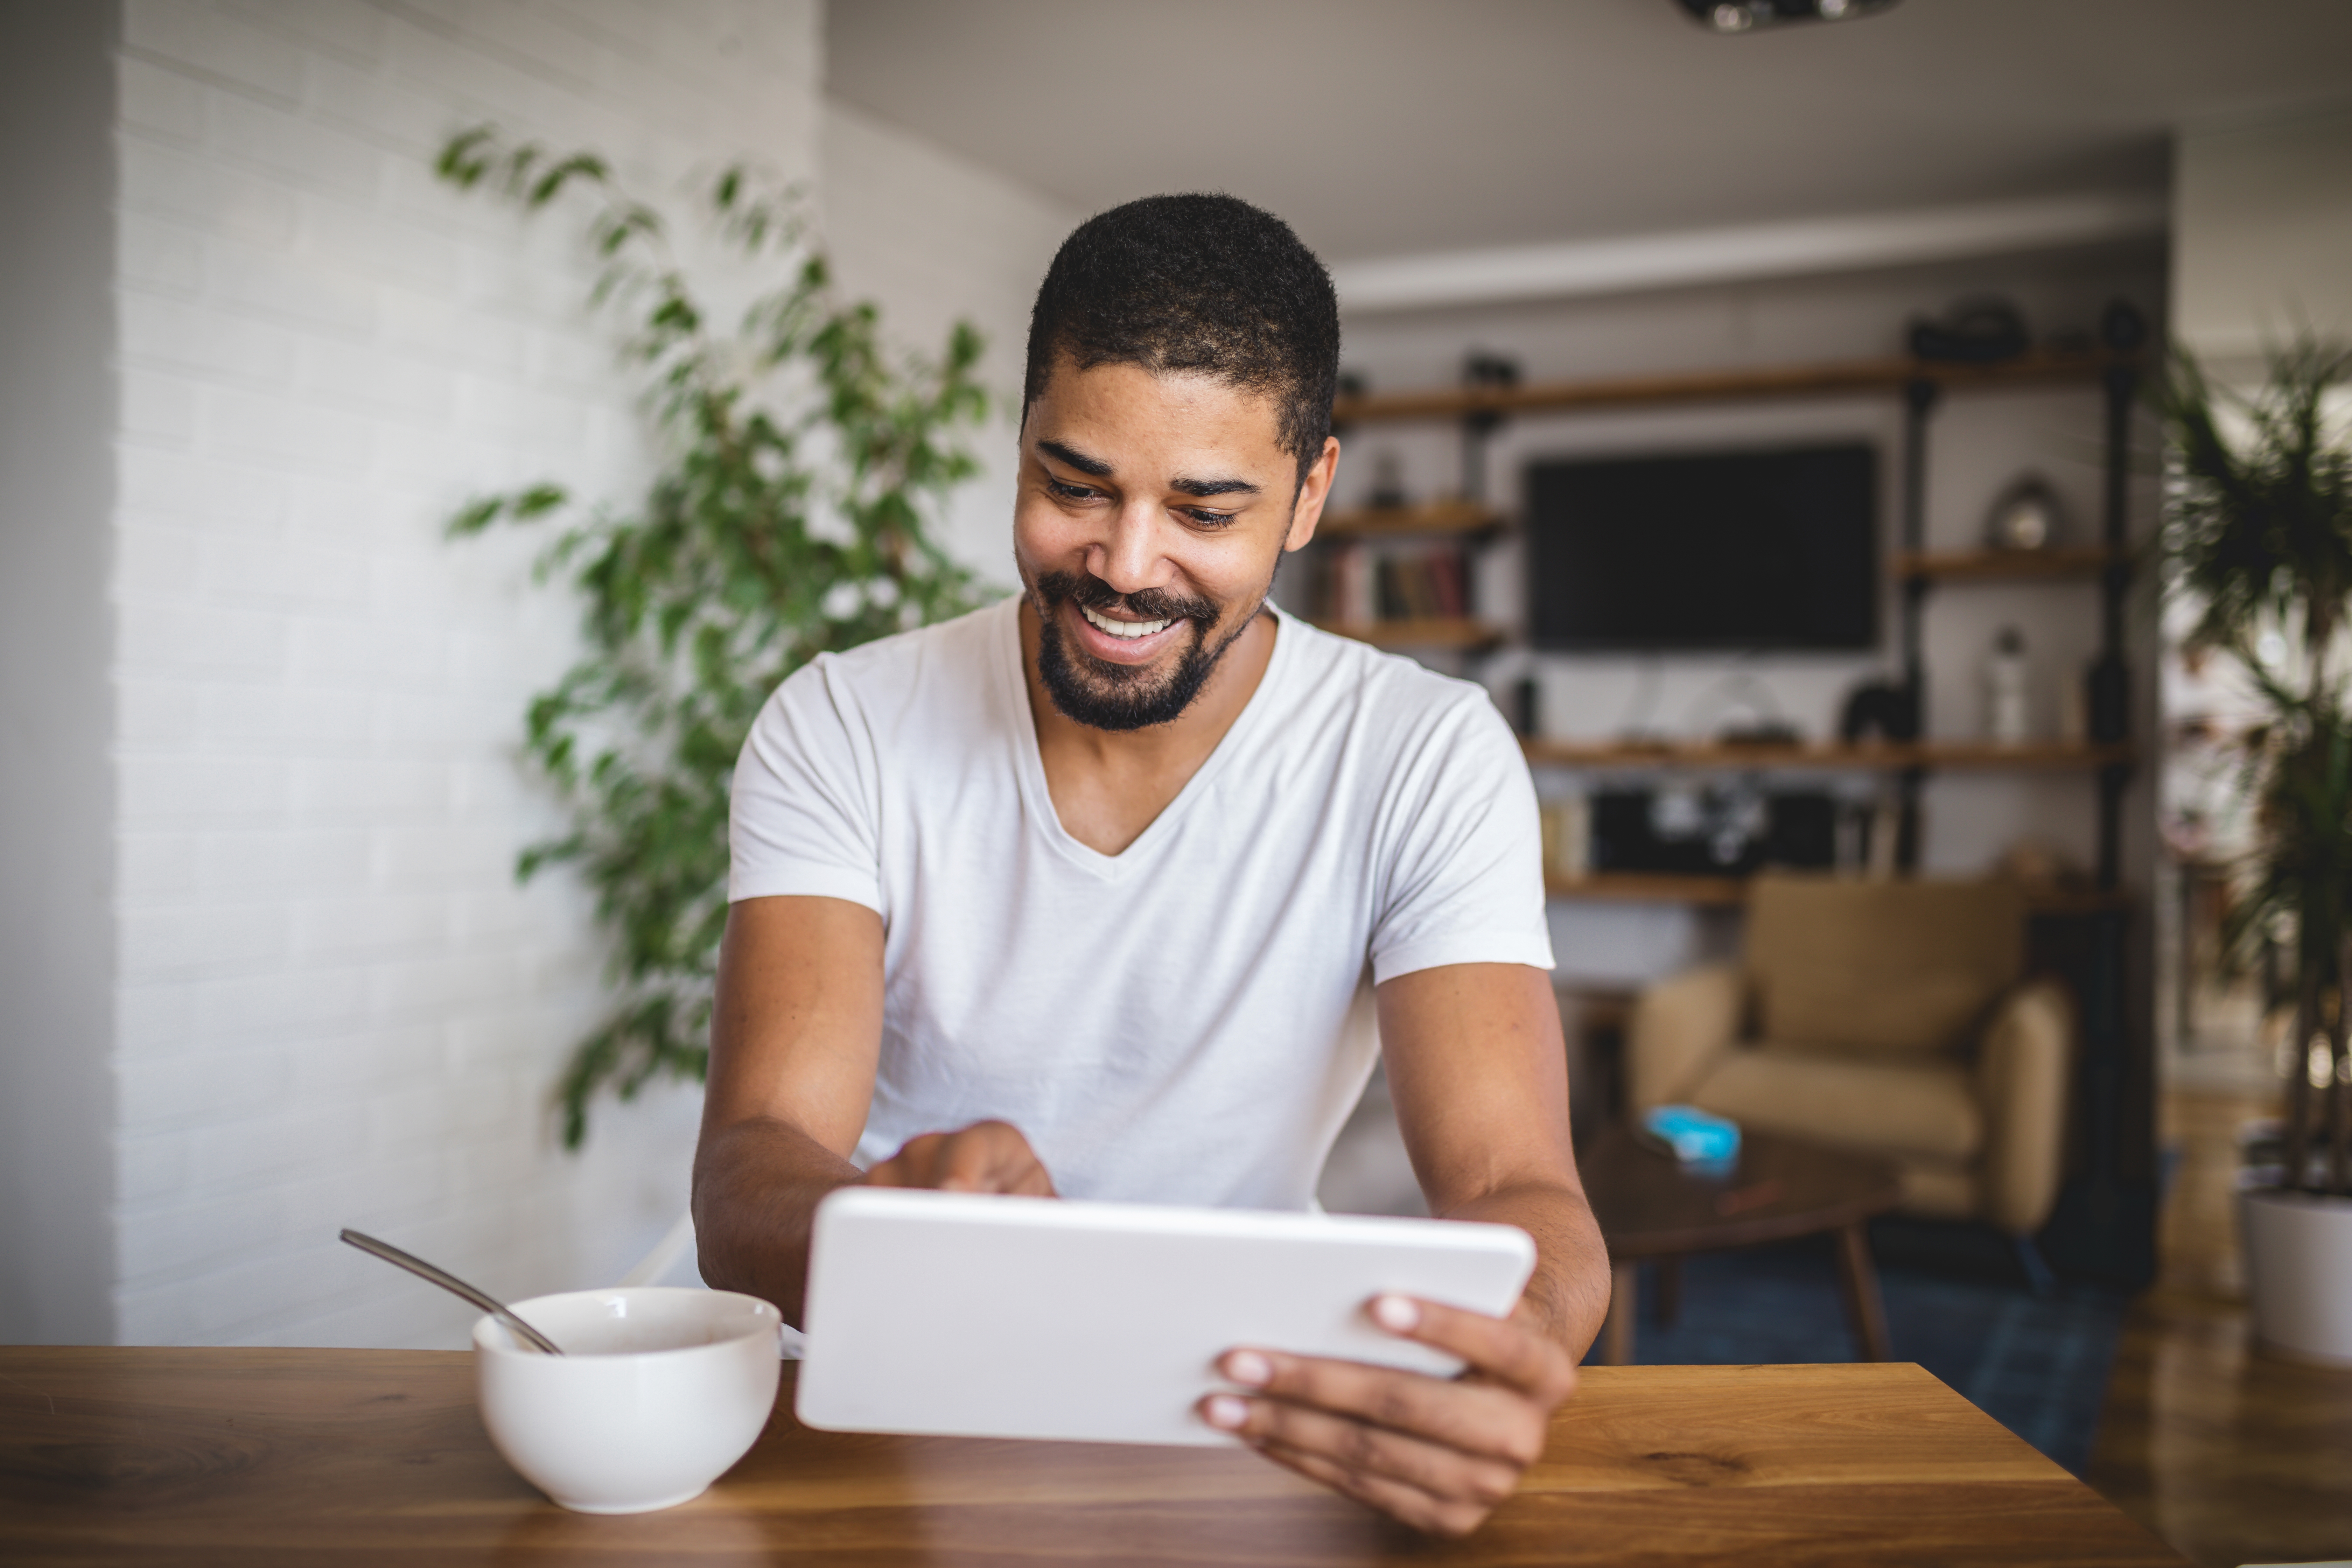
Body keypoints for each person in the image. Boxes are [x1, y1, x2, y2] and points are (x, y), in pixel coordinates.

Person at [694, 192, 1610, 1536]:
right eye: (1075, 487)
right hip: (887, 1401)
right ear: (1017, 449)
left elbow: (1517, 1190)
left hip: (1252, 1416)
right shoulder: (842, 723)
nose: (1126, 567)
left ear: (1310, 497)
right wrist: (885, 1227)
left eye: (1206, 507)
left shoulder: (1424, 754)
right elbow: (750, 1168)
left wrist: (1500, 1346)